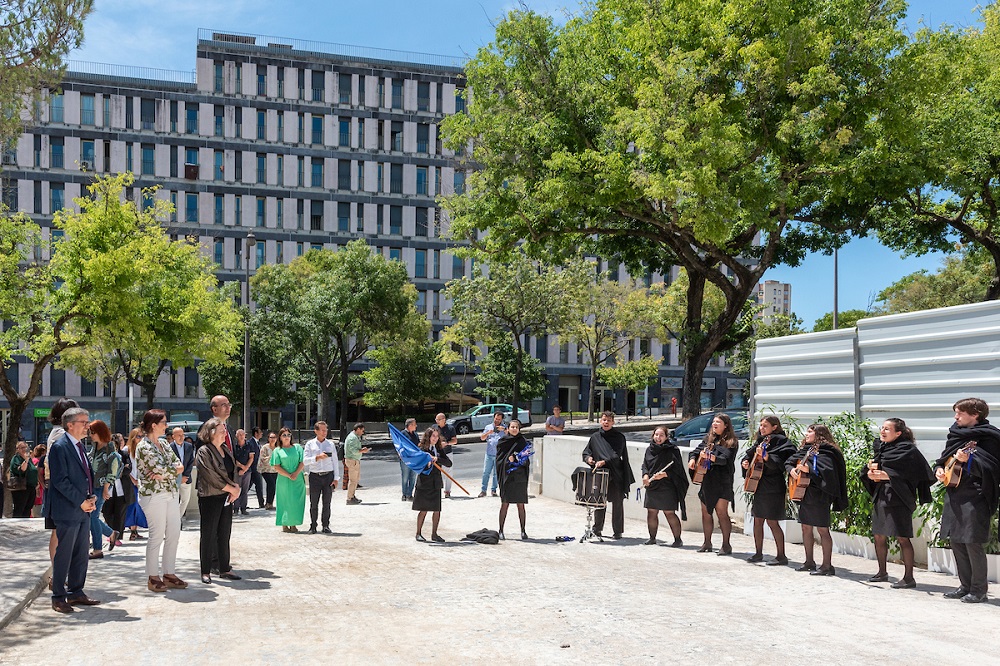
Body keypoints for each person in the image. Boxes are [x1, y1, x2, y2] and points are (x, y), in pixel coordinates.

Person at [933, 398, 1000, 603]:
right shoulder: (955, 433)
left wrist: (969, 460)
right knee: (956, 540)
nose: (956, 417)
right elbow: (944, 457)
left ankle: (979, 590)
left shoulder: (990, 437)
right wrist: (939, 468)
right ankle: (965, 585)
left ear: (975, 415)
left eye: (960, 413)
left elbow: (993, 467)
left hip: (977, 494)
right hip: (955, 492)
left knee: (972, 542)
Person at [862, 418, 935, 589]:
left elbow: (914, 475)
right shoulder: (883, 448)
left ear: (898, 433)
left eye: (887, 429)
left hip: (899, 498)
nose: (883, 431)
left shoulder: (908, 451)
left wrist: (887, 476)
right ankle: (882, 572)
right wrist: (870, 473)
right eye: (882, 428)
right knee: (879, 535)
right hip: (882, 495)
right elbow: (875, 471)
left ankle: (909, 577)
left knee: (902, 537)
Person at [45, 407, 101, 613]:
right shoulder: (60, 446)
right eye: (84, 422)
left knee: (80, 554)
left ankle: (76, 592)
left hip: (83, 508)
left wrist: (91, 497)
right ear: (70, 424)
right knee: (64, 554)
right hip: (68, 510)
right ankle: (59, 597)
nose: (88, 426)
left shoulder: (79, 446)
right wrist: (81, 501)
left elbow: (85, 476)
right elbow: (60, 481)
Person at [134, 409, 186, 593]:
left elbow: (179, 466)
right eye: (164, 422)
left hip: (170, 493)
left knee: (174, 533)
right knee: (156, 536)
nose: (167, 425)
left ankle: (169, 573)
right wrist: (168, 470)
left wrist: (165, 472)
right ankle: (153, 576)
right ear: (153, 425)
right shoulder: (143, 446)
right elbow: (164, 469)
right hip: (153, 496)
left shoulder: (164, 443)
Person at [785, 424, 848, 577]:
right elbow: (789, 462)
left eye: (810, 432)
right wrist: (792, 470)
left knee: (822, 530)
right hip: (805, 494)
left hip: (820, 495)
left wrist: (810, 470)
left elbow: (829, 474)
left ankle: (827, 565)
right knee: (805, 528)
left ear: (819, 435)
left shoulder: (827, 452)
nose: (806, 434)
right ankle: (809, 562)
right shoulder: (804, 450)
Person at [741, 416, 798, 565]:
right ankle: (758, 553)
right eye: (760, 425)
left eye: (765, 425)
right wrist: (745, 463)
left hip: (774, 486)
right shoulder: (760, 441)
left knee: (772, 521)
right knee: (757, 520)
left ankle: (781, 556)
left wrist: (767, 457)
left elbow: (783, 463)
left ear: (774, 427)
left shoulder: (783, 442)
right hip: (760, 485)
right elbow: (750, 456)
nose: (761, 428)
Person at [195, 417, 242, 584]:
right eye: (222, 429)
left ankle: (225, 568)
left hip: (226, 497)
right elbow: (210, 476)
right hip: (210, 497)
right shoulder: (204, 451)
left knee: (224, 533)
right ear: (212, 432)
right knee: (208, 534)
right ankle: (205, 571)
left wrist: (236, 488)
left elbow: (233, 469)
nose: (225, 432)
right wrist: (232, 489)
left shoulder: (225, 448)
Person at [687, 413, 739, 554]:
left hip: (723, 481)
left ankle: (726, 545)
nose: (714, 425)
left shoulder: (731, 441)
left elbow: (725, 460)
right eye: (714, 422)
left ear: (726, 425)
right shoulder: (709, 438)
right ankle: (707, 543)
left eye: (718, 422)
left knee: (721, 513)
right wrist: (692, 459)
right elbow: (696, 451)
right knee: (706, 512)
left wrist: (711, 457)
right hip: (708, 481)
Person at [582, 411, 634, 539]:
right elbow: (586, 452)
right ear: (600, 421)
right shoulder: (595, 437)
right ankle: (597, 529)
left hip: (616, 474)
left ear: (613, 422)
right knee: (599, 503)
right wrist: (588, 458)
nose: (606, 422)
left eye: (609, 420)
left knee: (617, 503)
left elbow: (617, 455)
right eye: (604, 420)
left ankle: (618, 531)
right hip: (599, 475)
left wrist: (604, 461)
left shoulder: (619, 437)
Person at [641, 426, 688, 547]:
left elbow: (678, 470)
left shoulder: (673, 450)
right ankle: (652, 538)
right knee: (651, 512)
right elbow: (645, 465)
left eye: (661, 435)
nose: (658, 437)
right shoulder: (649, 449)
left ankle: (678, 539)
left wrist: (665, 474)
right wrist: (645, 475)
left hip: (668, 485)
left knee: (669, 512)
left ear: (666, 437)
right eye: (656, 435)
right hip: (652, 485)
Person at [86, 421, 120, 559]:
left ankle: (98, 549)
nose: (90, 435)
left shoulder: (109, 450)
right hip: (93, 486)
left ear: (100, 432)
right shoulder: (95, 447)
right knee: (91, 517)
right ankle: (111, 534)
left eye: (92, 432)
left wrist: (106, 488)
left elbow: (112, 471)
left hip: (101, 487)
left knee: (92, 517)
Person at [496, 419, 530, 540]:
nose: (514, 429)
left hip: (520, 477)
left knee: (520, 505)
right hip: (507, 477)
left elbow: (526, 459)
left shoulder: (523, 441)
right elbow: (499, 460)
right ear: (508, 428)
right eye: (512, 427)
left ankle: (523, 530)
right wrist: (508, 462)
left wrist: (518, 460)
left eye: (516, 427)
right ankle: (500, 530)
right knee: (505, 503)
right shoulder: (502, 442)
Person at [303, 421, 339, 534]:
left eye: (326, 430)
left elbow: (335, 461)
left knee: (327, 503)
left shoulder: (330, 444)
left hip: (328, 475)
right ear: (316, 431)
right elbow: (305, 461)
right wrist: (317, 457)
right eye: (322, 430)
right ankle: (313, 525)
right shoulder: (310, 444)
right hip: (315, 476)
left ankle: (326, 525)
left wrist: (336, 478)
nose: (324, 432)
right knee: (314, 503)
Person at [271, 427, 306, 533]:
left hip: (297, 478)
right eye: (284, 435)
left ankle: (294, 523)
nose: (287, 437)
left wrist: (295, 474)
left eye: (288, 435)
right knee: (285, 501)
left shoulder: (298, 448)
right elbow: (276, 466)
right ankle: (284, 523)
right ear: (280, 438)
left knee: (296, 501)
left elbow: (302, 462)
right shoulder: (277, 450)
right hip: (284, 479)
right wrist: (288, 475)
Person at [413, 428, 444, 542]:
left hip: (436, 482)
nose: (435, 438)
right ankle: (418, 533)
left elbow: (448, 463)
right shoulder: (422, 449)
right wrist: (427, 461)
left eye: (437, 436)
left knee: (437, 510)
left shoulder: (438, 449)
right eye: (433, 436)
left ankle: (434, 534)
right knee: (423, 509)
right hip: (425, 483)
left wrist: (438, 458)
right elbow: (417, 465)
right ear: (428, 437)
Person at [102, 433, 130, 549]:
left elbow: (129, 468)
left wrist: (119, 472)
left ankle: (118, 536)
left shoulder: (123, 454)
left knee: (120, 513)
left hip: (120, 487)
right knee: (106, 511)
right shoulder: (105, 455)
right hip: (108, 487)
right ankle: (111, 532)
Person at [123, 428, 147, 541]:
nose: (141, 439)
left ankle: (135, 530)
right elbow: (124, 468)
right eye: (138, 436)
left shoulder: (142, 450)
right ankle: (132, 531)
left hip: (140, 482)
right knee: (132, 506)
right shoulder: (126, 450)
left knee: (139, 507)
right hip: (130, 482)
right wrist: (133, 480)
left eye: (142, 436)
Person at [169, 427, 195, 528]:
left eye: (182, 435)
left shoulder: (189, 446)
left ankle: (177, 518)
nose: (181, 437)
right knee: (174, 501)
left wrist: (185, 475)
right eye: (179, 435)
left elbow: (190, 461)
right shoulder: (169, 448)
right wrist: (178, 477)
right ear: (173, 437)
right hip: (174, 479)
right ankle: (175, 522)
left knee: (185, 500)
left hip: (186, 478)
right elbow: (169, 464)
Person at [8, 439, 37, 518]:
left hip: (31, 486)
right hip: (21, 488)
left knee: (28, 509)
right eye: (22, 448)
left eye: (25, 447)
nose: (24, 449)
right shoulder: (16, 458)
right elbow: (22, 469)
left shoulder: (29, 459)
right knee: (19, 510)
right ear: (17, 449)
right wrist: (26, 460)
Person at [479, 411, 506, 498]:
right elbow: (482, 438)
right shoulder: (488, 427)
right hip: (489, 454)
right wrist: (488, 433)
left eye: (499, 419)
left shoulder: (504, 427)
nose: (496, 420)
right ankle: (483, 490)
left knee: (496, 473)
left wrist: (504, 430)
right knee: (485, 472)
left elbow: (510, 435)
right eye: (496, 418)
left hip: (499, 455)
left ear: (501, 420)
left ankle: (493, 490)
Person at [343, 423, 371, 505]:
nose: (363, 432)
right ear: (358, 429)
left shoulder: (354, 437)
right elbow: (353, 451)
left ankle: (352, 496)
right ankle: (349, 498)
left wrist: (362, 450)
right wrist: (363, 451)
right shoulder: (353, 438)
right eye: (362, 430)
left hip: (354, 460)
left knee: (355, 480)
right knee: (353, 480)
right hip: (352, 460)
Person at [434, 413, 458, 497]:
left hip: (447, 452)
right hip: (436, 453)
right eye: (436, 420)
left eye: (438, 420)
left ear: (444, 419)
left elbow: (455, 441)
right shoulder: (434, 428)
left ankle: (447, 491)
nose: (437, 421)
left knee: (448, 472)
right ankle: (437, 490)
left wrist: (447, 443)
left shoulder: (450, 428)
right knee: (437, 472)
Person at [232, 429, 255, 516]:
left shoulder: (249, 445)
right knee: (236, 489)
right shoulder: (234, 446)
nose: (241, 436)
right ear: (236, 436)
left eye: (243, 434)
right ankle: (236, 508)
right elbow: (233, 458)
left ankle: (243, 508)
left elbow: (251, 458)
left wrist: (245, 468)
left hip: (247, 471)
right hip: (237, 471)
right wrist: (241, 467)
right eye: (239, 435)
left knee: (244, 490)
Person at [398, 418, 420, 501]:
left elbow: (418, 445)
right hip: (405, 459)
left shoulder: (415, 434)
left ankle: (409, 494)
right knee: (405, 477)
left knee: (413, 477)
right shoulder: (402, 434)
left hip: (414, 459)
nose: (416, 426)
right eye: (414, 424)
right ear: (410, 425)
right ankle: (404, 494)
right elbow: (398, 445)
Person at [258, 431, 279, 510]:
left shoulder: (278, 448)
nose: (273, 439)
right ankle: (268, 503)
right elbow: (262, 459)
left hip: (275, 470)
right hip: (265, 470)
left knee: (273, 486)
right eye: (271, 437)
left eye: (274, 437)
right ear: (268, 438)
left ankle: (270, 503)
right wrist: (271, 457)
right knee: (271, 484)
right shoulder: (265, 447)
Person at [247, 427, 265, 509]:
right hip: (253, 468)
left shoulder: (257, 442)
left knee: (248, 486)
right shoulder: (251, 443)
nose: (262, 434)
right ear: (256, 434)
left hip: (256, 468)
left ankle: (239, 502)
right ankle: (261, 503)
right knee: (258, 486)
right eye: (260, 432)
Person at [31, 444, 47, 518]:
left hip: (37, 486)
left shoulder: (33, 460)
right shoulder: (39, 461)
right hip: (39, 487)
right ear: (43, 452)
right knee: (38, 507)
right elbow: (37, 474)